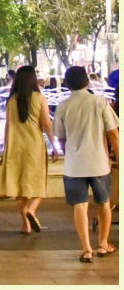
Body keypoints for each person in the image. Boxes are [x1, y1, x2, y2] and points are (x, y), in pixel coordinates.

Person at [53, 66, 120, 263]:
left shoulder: (63, 106)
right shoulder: (100, 103)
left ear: (66, 84)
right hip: (99, 163)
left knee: (79, 206)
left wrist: (70, 153)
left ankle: (86, 249)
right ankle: (103, 244)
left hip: (74, 166)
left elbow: (61, 139)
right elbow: (114, 135)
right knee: (104, 203)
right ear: (87, 82)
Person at [0, 65, 59, 234]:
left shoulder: (11, 100)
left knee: (19, 186)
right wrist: (54, 145)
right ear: (32, 79)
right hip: (34, 146)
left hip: (15, 146)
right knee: (38, 181)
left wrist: (5, 150)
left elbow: (7, 126)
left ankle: (26, 224)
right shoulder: (39, 98)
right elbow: (47, 124)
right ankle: (32, 210)